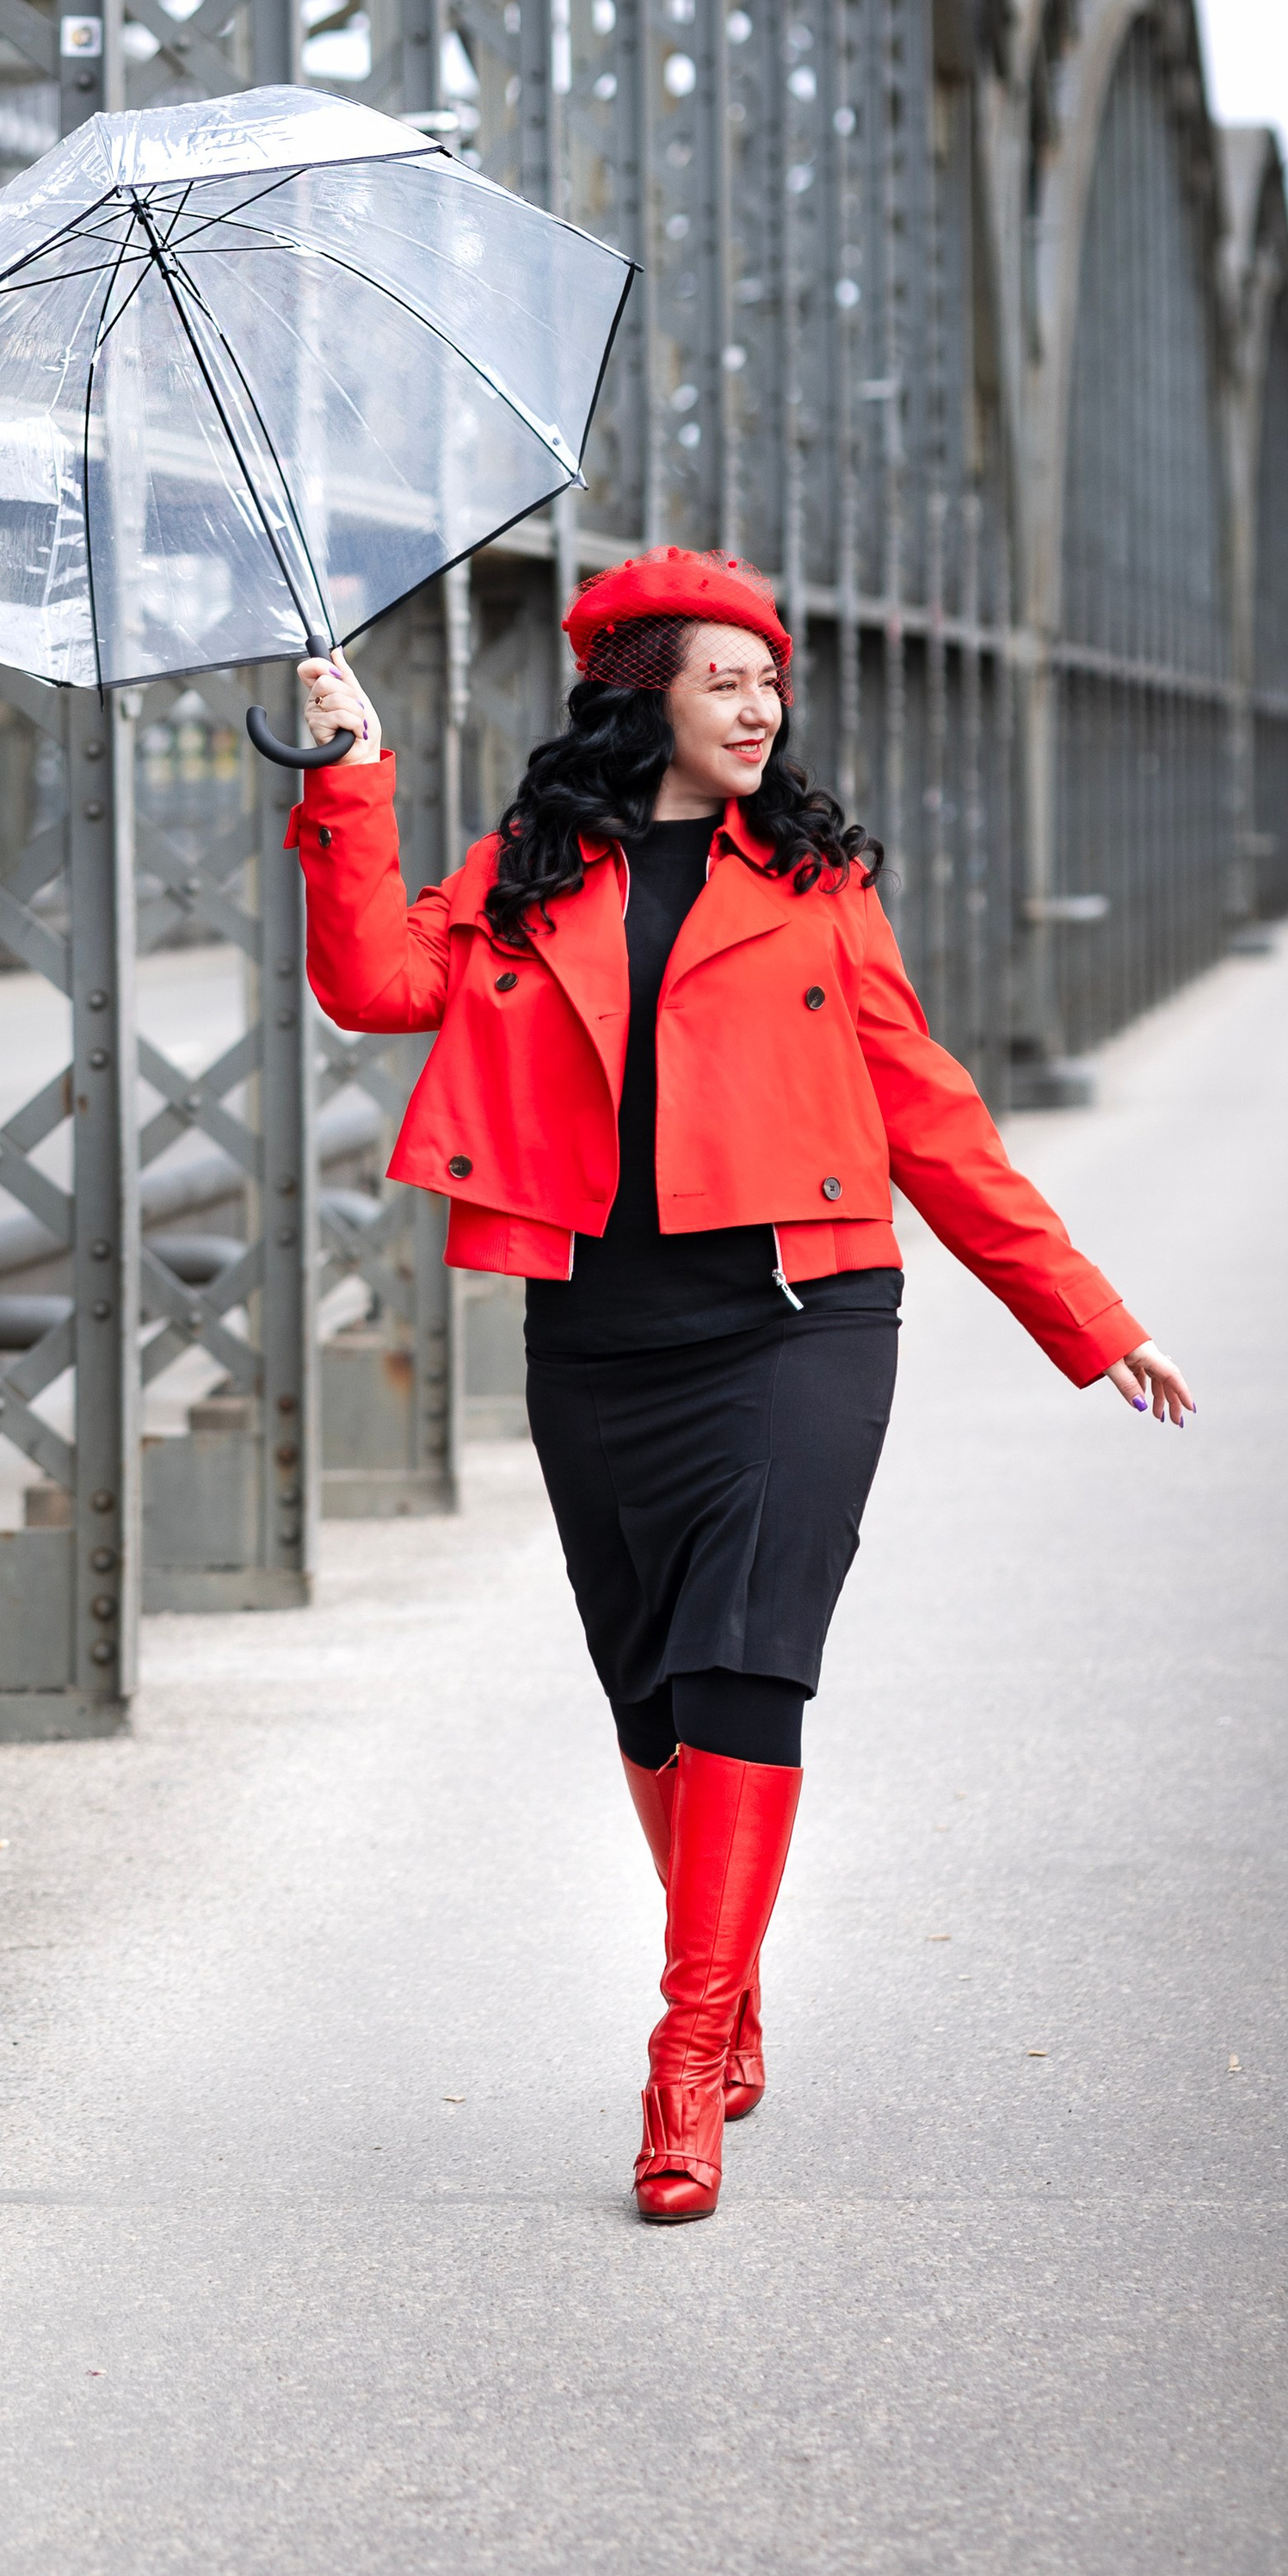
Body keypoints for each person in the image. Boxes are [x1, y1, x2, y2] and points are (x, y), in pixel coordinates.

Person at [288, 545, 1192, 2226]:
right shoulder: (529, 869)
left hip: (801, 1313)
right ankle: (732, 1973)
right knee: (648, 1691)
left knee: (741, 1664)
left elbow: (928, 1116)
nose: (762, 701)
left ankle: (686, 2048)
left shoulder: (814, 884)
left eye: (772, 678)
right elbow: (370, 986)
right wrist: (349, 774)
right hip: (600, 1334)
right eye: (726, 676)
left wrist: (1081, 1313)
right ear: (640, 693)